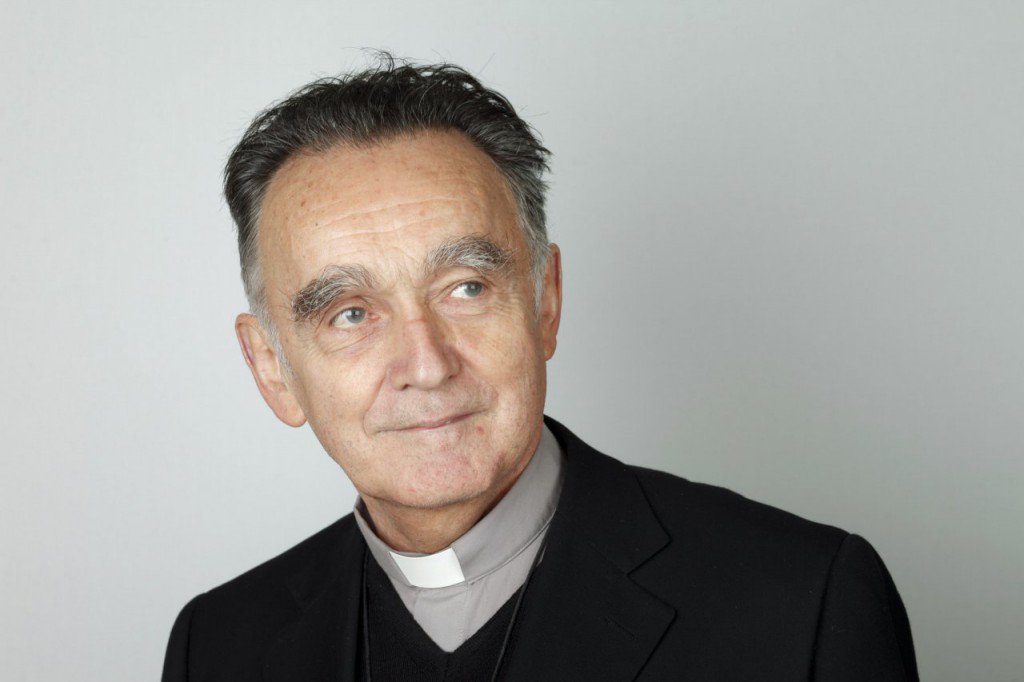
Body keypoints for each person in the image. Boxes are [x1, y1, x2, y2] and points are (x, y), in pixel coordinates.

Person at [161, 54, 918, 681]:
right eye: (351, 314)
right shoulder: (218, 645)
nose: (426, 364)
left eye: (466, 288)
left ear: (545, 301)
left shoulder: (804, 601)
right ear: (273, 370)